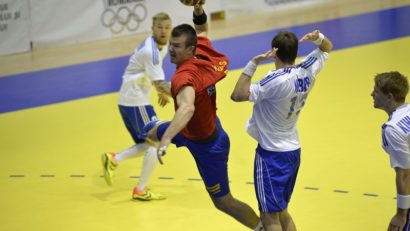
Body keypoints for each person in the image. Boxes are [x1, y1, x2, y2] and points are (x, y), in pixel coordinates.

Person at [144, 1, 264, 230]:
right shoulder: (202, 51)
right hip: (193, 130)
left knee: (223, 202)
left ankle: (262, 228)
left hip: (209, 147)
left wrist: (168, 138)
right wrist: (198, 9)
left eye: (177, 46)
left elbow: (187, 108)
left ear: (190, 49)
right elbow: (202, 30)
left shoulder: (183, 78)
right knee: (149, 133)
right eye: (171, 44)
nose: (171, 49)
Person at [230, 30, 333, 230]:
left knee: (269, 217)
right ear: (295, 52)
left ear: (274, 52)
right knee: (282, 210)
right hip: (293, 150)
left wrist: (253, 63)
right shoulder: (307, 70)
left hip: (271, 155)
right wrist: (319, 37)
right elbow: (327, 48)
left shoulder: (274, 80)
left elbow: (237, 95)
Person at [101, 12, 172, 201]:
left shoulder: (160, 44)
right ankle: (140, 190)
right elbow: (159, 81)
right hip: (135, 100)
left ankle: (114, 159)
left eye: (167, 27)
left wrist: (161, 91)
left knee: (146, 143)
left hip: (131, 99)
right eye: (160, 27)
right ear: (152, 28)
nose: (164, 31)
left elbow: (154, 77)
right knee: (158, 138)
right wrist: (187, 96)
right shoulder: (152, 52)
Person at [371, 71, 410, 231]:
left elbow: (405, 174)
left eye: (376, 91)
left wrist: (401, 214)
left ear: (389, 97)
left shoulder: (392, 129)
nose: (372, 94)